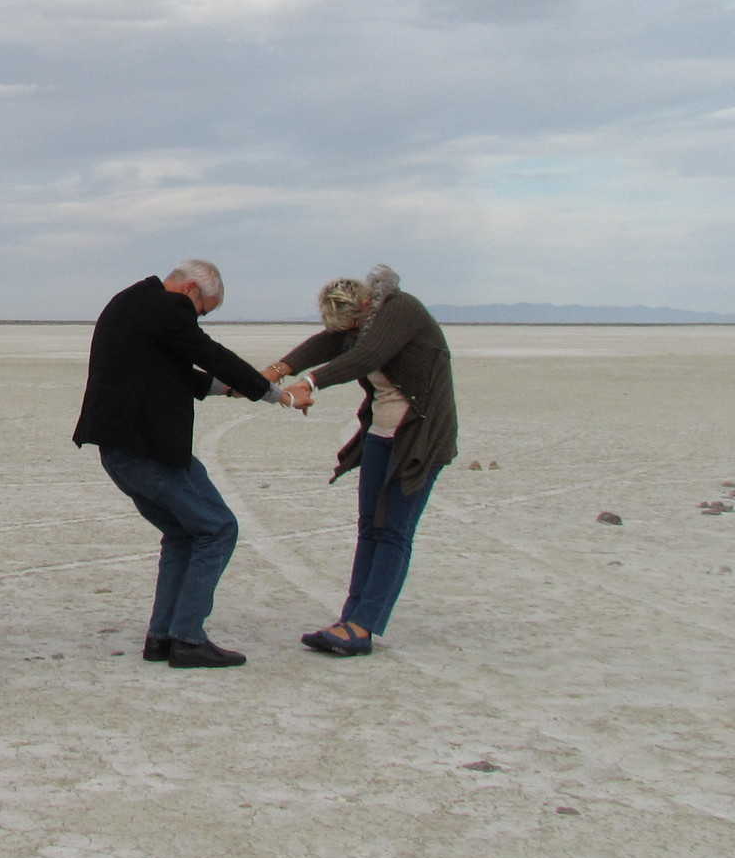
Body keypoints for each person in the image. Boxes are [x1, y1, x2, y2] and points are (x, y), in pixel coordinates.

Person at [72, 262, 312, 667]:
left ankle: (162, 638)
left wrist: (228, 390)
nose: (198, 318)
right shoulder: (168, 307)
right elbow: (208, 353)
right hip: (148, 450)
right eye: (202, 311)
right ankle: (187, 637)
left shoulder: (129, 303)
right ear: (190, 291)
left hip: (120, 450)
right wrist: (278, 396)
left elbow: (168, 369)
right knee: (218, 528)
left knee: (184, 533)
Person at [267, 265, 457, 658]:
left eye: (352, 326)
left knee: (393, 530)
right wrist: (280, 369)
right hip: (381, 435)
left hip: (418, 437)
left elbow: (369, 354)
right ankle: (349, 619)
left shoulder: (400, 310)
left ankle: (363, 626)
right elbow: (326, 343)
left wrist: (311, 383)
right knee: (369, 526)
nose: (349, 335)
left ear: (367, 305)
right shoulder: (361, 324)